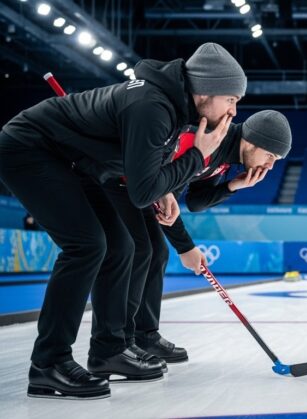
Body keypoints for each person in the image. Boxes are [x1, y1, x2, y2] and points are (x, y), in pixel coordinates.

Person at [0, 42, 246, 400]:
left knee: (121, 246)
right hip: (31, 149)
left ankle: (107, 351)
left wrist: (166, 189)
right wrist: (197, 156)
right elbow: (141, 192)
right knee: (86, 246)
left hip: (79, 163)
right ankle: (48, 363)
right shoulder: (153, 106)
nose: (234, 110)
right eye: (231, 99)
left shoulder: (175, 108)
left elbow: (148, 173)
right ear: (206, 91)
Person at [104, 110, 292, 365]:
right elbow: (162, 196)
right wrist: (186, 248)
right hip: (119, 182)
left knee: (156, 251)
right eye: (270, 155)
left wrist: (232, 186)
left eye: (276, 160)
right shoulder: (207, 142)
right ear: (251, 142)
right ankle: (122, 343)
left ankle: (144, 335)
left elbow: (195, 201)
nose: (270, 166)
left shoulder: (225, 157)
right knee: (144, 251)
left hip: (142, 194)